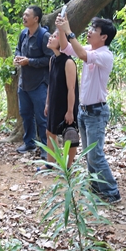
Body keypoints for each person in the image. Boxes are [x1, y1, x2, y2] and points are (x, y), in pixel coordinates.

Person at [56, 14, 121, 204]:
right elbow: (65, 48)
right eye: (90, 28)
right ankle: (95, 187)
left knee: (95, 154)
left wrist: (69, 31)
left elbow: (83, 56)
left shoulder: (104, 55)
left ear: (104, 37)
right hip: (84, 111)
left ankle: (112, 192)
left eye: (94, 30)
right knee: (88, 154)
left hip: (96, 112)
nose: (90, 32)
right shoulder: (88, 49)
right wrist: (61, 29)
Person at [15, 6, 52, 159]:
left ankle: (46, 149)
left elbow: (50, 59)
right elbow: (18, 49)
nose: (24, 17)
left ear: (36, 19)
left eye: (27, 15)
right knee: (26, 114)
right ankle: (29, 142)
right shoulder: (23, 33)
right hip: (24, 83)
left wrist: (29, 61)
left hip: (39, 84)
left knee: (42, 117)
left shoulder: (44, 36)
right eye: (23, 14)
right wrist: (17, 57)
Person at [42, 29, 79, 170]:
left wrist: (70, 111)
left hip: (67, 103)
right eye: (51, 35)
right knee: (50, 132)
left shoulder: (68, 62)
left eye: (54, 36)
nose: (50, 38)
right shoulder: (52, 59)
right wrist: (47, 103)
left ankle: (67, 167)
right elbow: (51, 84)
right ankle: (50, 164)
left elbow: (71, 88)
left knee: (69, 135)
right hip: (54, 102)